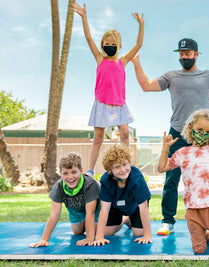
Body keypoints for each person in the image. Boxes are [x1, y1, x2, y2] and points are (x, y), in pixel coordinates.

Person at [131, 38, 209, 235]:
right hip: (177, 133)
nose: (184, 57)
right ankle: (168, 221)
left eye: (188, 54)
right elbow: (146, 86)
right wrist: (136, 62)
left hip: (202, 135)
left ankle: (208, 221)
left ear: (196, 54)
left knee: (206, 176)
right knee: (171, 179)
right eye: (181, 54)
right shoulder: (171, 76)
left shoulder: (208, 76)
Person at [72, 3, 144, 176]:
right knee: (97, 138)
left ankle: (127, 166)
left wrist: (141, 25)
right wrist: (84, 17)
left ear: (119, 46)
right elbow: (89, 38)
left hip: (119, 104)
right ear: (103, 44)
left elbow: (139, 45)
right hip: (102, 104)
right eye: (107, 43)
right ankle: (89, 170)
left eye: (113, 44)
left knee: (125, 133)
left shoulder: (123, 61)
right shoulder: (99, 59)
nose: (109, 46)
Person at [157, 109, 209, 254]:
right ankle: (206, 234)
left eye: (208, 131)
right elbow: (162, 168)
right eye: (199, 129)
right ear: (190, 129)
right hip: (193, 207)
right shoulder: (182, 153)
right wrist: (165, 149)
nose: (203, 134)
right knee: (199, 250)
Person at [29, 153, 100, 247]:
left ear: (81, 171)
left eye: (74, 172)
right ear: (61, 174)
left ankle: (124, 220)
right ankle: (83, 222)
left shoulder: (90, 184)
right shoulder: (59, 186)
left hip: (95, 209)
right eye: (65, 173)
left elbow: (90, 212)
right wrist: (44, 239)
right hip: (76, 209)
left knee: (96, 230)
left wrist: (89, 239)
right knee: (77, 232)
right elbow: (54, 214)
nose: (70, 177)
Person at [92, 144, 152, 246]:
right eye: (117, 167)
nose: (123, 169)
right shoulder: (106, 180)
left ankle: (130, 219)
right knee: (107, 232)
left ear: (130, 163)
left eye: (125, 164)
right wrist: (99, 237)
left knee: (138, 233)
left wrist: (148, 235)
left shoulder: (136, 178)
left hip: (135, 207)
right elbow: (104, 209)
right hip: (115, 208)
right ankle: (124, 220)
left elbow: (143, 208)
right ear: (110, 170)